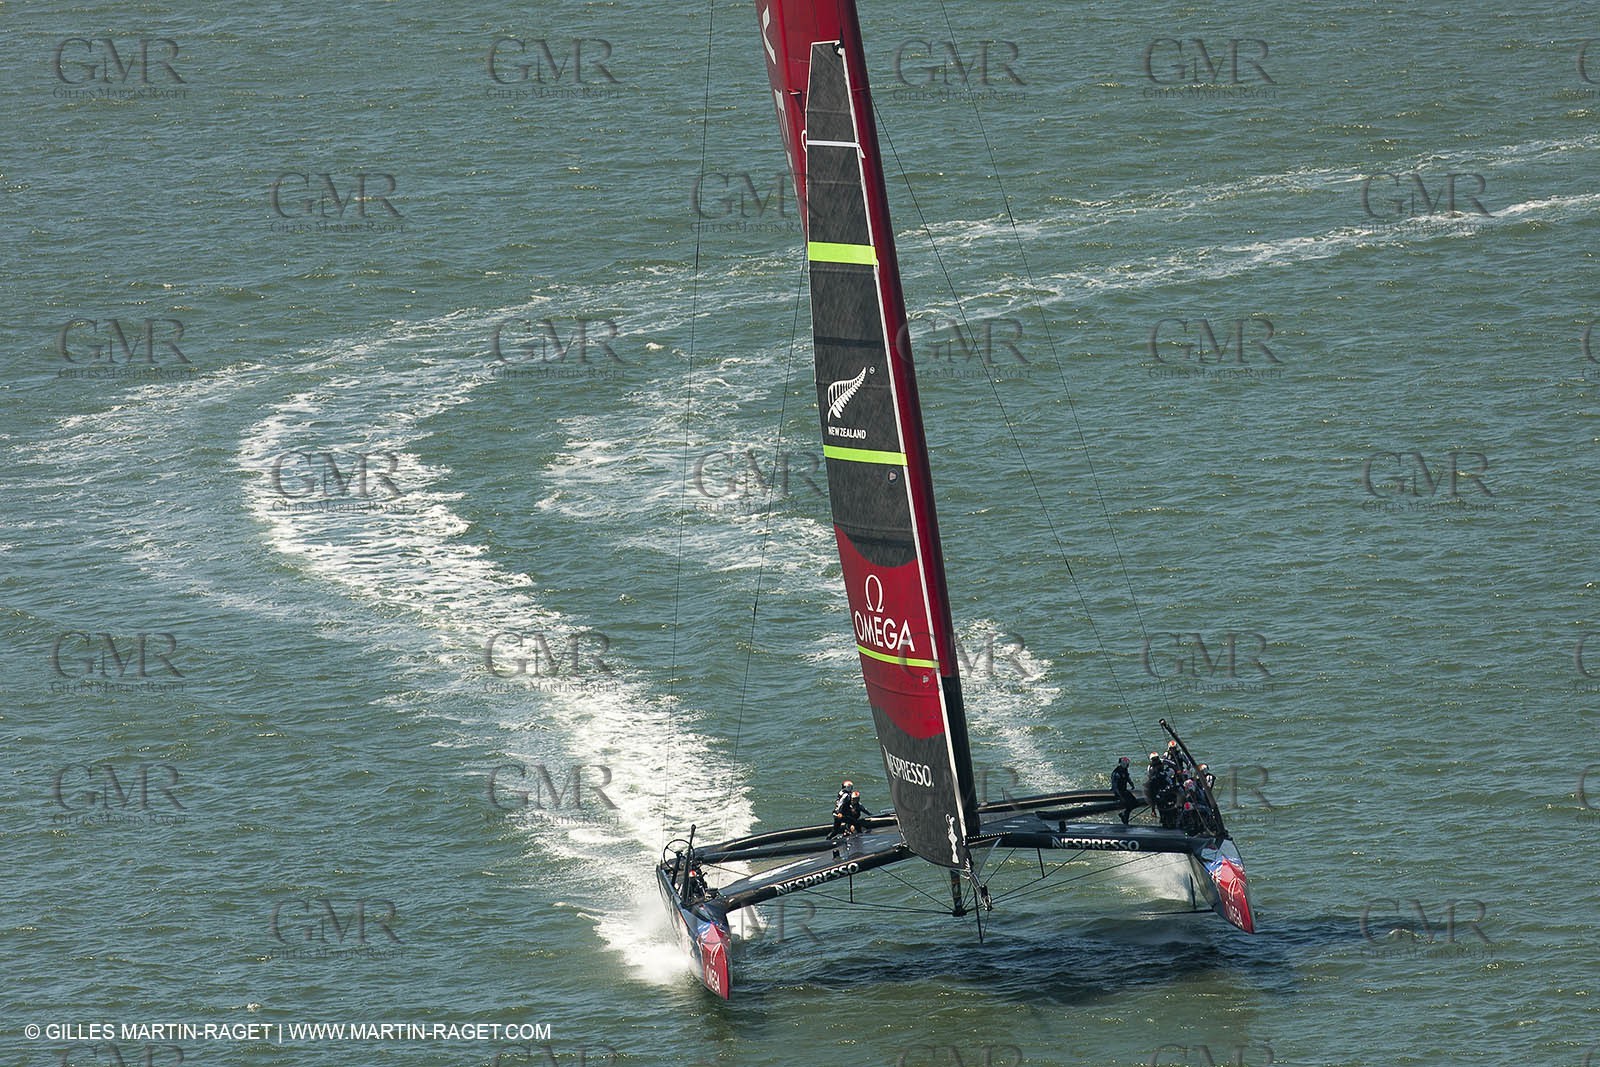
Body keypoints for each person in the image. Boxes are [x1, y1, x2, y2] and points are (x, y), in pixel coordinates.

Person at [1110, 756, 1139, 825]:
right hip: (1119, 792)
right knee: (1128, 804)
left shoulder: (1124, 770)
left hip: (1124, 790)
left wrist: (1131, 783)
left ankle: (1124, 814)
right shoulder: (1116, 774)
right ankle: (1124, 817)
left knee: (1135, 803)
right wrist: (1121, 797)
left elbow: (1127, 777)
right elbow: (1115, 787)